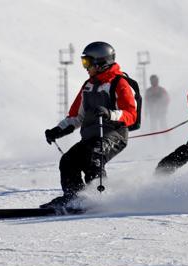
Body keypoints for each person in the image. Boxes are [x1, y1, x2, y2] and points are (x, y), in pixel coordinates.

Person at [41, 41, 137, 209]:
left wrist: (109, 113)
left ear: (101, 63)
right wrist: (57, 131)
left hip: (114, 135)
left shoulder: (119, 83)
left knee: (94, 157)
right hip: (91, 136)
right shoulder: (88, 85)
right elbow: (76, 117)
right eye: (83, 62)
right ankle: (75, 198)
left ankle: (98, 199)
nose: (85, 67)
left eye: (87, 62)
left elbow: (131, 114)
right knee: (68, 160)